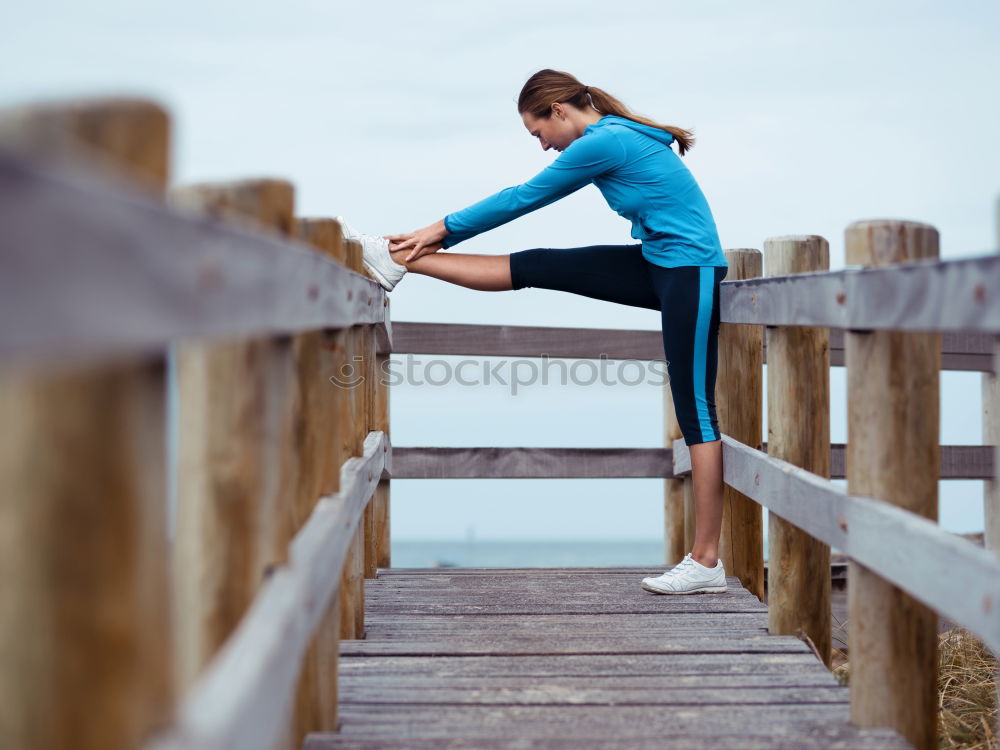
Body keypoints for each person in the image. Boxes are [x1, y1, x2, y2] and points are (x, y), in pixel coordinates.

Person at [337, 68, 729, 594]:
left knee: (695, 410)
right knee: (540, 264)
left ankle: (706, 562)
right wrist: (435, 240)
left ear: (559, 112)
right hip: (660, 261)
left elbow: (524, 197)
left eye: (538, 132)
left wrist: (441, 228)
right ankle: (395, 261)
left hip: (690, 271)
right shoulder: (610, 136)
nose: (543, 146)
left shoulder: (606, 140)